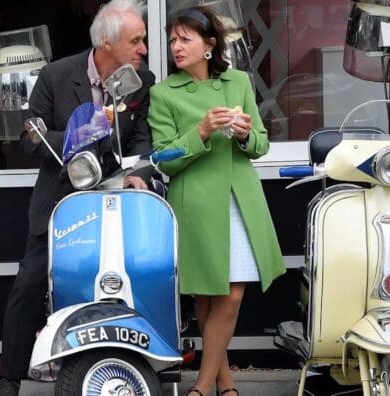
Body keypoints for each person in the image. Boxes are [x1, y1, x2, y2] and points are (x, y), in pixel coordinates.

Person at [0, 1, 155, 394]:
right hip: (60, 202)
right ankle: (8, 379)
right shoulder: (56, 75)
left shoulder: (141, 81)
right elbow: (29, 137)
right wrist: (80, 135)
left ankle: (137, 365)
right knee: (30, 283)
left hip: (118, 201)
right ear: (105, 41)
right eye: (136, 40)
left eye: (144, 40)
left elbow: (142, 138)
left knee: (140, 274)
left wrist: (139, 172)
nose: (144, 49)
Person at [147, 6, 285, 396]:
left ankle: (202, 387)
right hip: (196, 205)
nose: (176, 46)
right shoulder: (163, 93)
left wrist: (244, 134)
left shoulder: (238, 81)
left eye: (185, 39)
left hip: (239, 200)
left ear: (209, 45)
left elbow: (260, 144)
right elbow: (162, 158)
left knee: (232, 292)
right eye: (172, 39)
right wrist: (202, 131)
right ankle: (225, 384)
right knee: (207, 297)